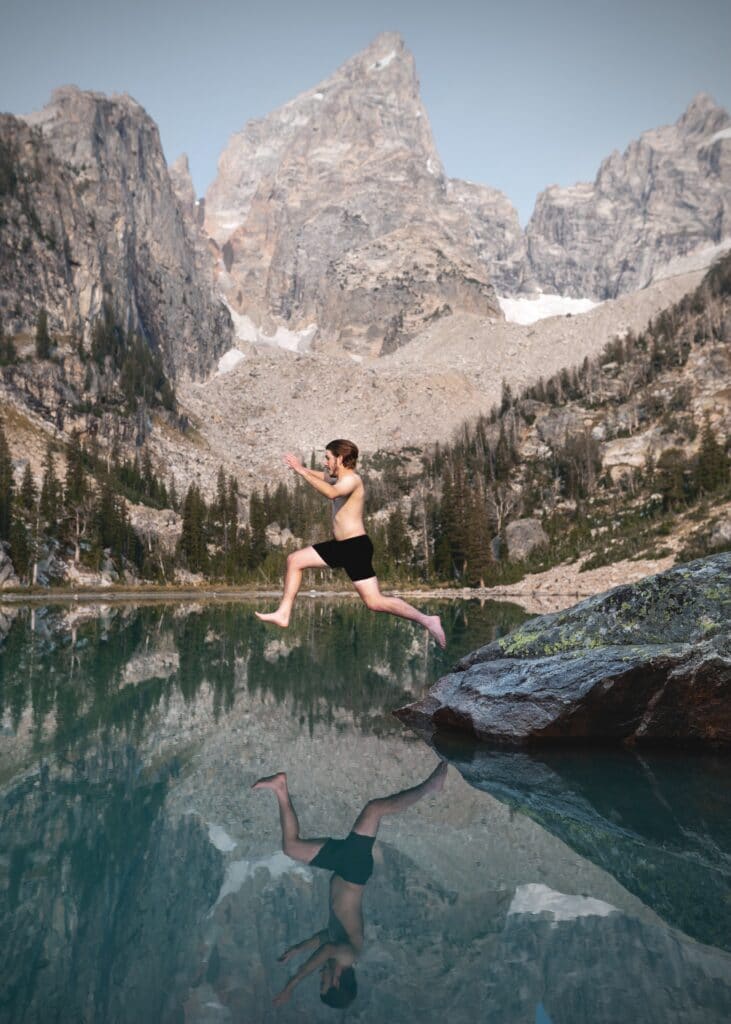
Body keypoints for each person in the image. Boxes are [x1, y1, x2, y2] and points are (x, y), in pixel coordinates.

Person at [252, 762, 448, 1008]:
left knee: (291, 847)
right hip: (353, 870)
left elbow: (324, 938)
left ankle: (280, 787)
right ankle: (430, 787)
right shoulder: (348, 956)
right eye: (323, 982)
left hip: (343, 868)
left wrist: (297, 949)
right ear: (336, 982)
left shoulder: (340, 949)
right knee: (374, 809)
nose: (320, 977)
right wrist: (292, 984)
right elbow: (326, 950)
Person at [255, 438, 446, 648]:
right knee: (294, 560)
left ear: (341, 458)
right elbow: (324, 477)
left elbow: (331, 493)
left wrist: (302, 473)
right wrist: (301, 468)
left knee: (375, 602)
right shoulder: (338, 478)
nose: (326, 463)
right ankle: (283, 613)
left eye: (328, 458)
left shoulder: (352, 480)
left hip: (355, 548)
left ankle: (428, 620)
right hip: (341, 546)